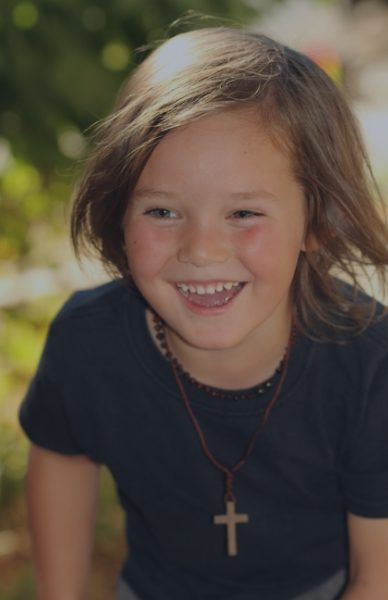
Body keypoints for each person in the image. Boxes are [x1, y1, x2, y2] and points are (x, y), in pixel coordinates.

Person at [19, 26, 388, 600]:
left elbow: (378, 579)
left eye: (243, 212)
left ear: (320, 220)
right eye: (163, 211)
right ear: (120, 211)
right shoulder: (87, 344)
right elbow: (64, 459)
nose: (201, 250)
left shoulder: (371, 364)